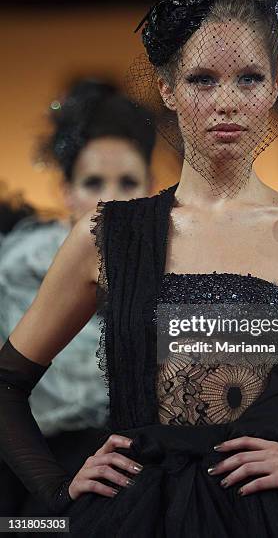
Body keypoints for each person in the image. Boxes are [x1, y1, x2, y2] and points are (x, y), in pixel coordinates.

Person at [0, 0, 278, 537]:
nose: (227, 102)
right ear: (167, 88)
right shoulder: (109, 235)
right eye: (201, 79)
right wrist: (57, 487)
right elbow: (7, 383)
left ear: (274, 87)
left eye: (248, 78)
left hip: (274, 519)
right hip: (128, 517)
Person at [0, 77, 155, 521]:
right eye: (92, 182)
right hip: (36, 480)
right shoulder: (21, 272)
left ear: (151, 190)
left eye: (127, 181)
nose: (110, 198)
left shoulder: (179, 266)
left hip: (149, 480)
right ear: (66, 193)